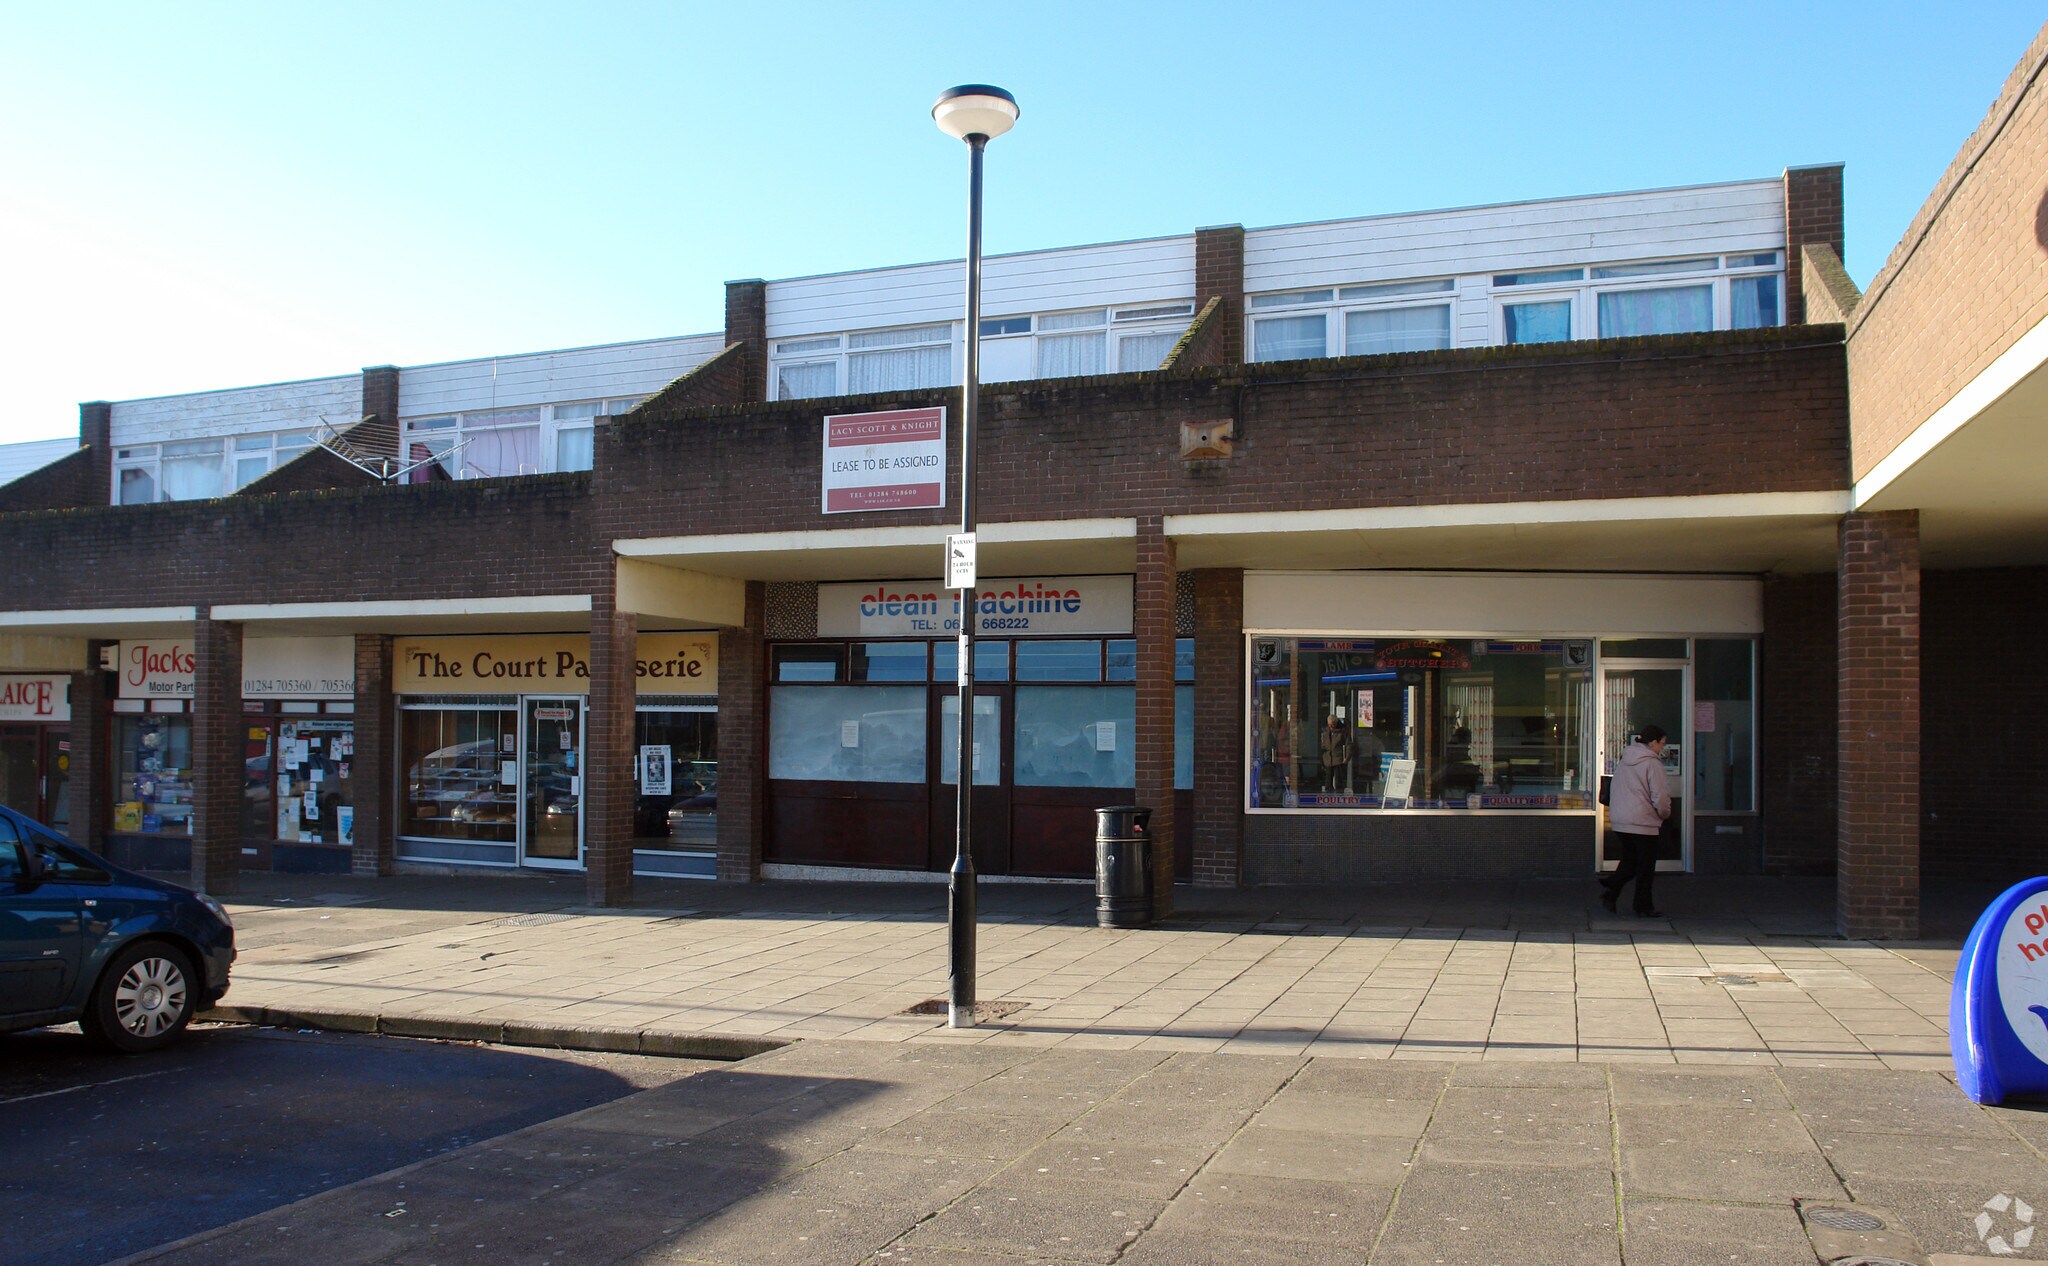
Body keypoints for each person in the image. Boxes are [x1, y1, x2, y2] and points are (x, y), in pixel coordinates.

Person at [1600, 723, 1672, 917]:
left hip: (1621, 820)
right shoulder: (1652, 763)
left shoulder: (1625, 760)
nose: (1662, 748)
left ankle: (1611, 890)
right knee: (1645, 867)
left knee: (1630, 861)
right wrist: (1664, 814)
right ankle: (1642, 905)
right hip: (1643, 822)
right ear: (1653, 742)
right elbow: (1660, 796)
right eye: (1662, 743)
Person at [1318, 714, 1351, 791]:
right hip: (1328, 759)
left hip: (1339, 758)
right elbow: (1322, 744)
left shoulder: (1343, 731)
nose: (1330, 726)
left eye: (1332, 724)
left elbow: (1348, 744)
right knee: (1328, 782)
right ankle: (1328, 794)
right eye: (1329, 724)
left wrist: (1347, 757)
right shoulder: (1325, 731)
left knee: (1339, 782)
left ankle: (1339, 795)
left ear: (1336, 723)